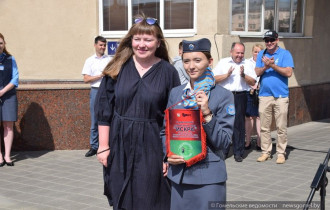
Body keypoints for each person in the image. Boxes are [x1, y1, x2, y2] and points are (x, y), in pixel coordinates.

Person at [95, 14, 180, 210]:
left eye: (148, 40)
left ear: (158, 42)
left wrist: (168, 154)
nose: (142, 44)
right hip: (119, 141)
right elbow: (104, 109)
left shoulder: (168, 72)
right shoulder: (116, 68)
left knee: (150, 196)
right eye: (137, 39)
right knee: (120, 195)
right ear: (130, 40)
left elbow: (173, 117)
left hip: (152, 144)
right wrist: (103, 146)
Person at [162, 38, 234, 210]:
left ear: (209, 62)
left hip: (208, 180)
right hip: (179, 176)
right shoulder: (176, 93)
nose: (191, 66)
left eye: (197, 60)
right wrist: (167, 155)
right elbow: (165, 130)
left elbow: (224, 142)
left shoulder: (223, 96)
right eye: (186, 61)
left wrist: (207, 113)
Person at [213, 42, 257, 162]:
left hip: (240, 96)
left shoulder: (247, 63)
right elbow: (213, 79)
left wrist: (243, 75)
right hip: (225, 96)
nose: (240, 55)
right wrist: (226, 75)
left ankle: (238, 152)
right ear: (231, 52)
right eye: (237, 53)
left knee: (238, 124)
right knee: (223, 123)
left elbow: (253, 81)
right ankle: (223, 151)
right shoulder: (223, 62)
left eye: (242, 53)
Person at [255, 31, 294, 164]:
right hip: (265, 95)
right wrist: (266, 66)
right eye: (266, 40)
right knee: (264, 127)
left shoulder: (285, 54)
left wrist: (272, 65)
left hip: (281, 96)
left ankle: (281, 153)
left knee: (281, 127)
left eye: (271, 40)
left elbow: (288, 72)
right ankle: (266, 152)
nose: (269, 43)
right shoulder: (262, 54)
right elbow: (257, 72)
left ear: (277, 40)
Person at [82, 36, 111, 157]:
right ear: (95, 45)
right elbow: (86, 79)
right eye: (100, 45)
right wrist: (100, 76)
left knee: (108, 117)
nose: (103, 47)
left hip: (108, 90)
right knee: (95, 119)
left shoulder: (109, 60)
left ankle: (107, 145)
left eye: (104, 45)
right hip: (95, 90)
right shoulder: (89, 60)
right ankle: (94, 146)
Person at [0, 33, 19, 167]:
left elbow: (15, 78)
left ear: (4, 44)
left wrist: (2, 91)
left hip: (8, 95)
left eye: (1, 43)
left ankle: (7, 155)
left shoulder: (10, 59)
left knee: (8, 125)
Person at [245, 44, 264, 150]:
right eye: (255, 51)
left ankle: (259, 142)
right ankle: (247, 141)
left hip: (261, 92)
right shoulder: (247, 62)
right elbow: (245, 76)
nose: (257, 54)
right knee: (249, 117)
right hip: (250, 91)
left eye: (259, 52)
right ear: (252, 52)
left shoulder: (264, 63)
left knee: (259, 117)